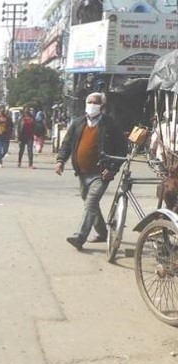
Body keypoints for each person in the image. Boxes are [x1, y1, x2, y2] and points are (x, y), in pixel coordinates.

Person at [54, 91, 127, 251]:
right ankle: (102, 232)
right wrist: (60, 161)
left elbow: (122, 150)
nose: (92, 105)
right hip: (82, 172)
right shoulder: (78, 123)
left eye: (96, 102)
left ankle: (79, 237)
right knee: (89, 202)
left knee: (91, 202)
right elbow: (67, 144)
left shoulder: (110, 125)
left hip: (101, 173)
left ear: (103, 106)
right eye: (90, 102)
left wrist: (112, 168)